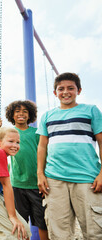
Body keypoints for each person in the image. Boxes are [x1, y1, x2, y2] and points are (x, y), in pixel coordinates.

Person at [37, 72, 102, 239]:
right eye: (61, 89)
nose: (65, 92)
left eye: (70, 88)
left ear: (79, 90)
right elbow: (42, 146)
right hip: (54, 179)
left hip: (86, 177)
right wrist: (40, 174)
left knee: (94, 231)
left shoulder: (91, 111)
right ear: (55, 93)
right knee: (58, 232)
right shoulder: (47, 116)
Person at [0, 100, 48, 240]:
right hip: (17, 184)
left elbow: (44, 154)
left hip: (36, 184)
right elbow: (0, 149)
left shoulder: (36, 133)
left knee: (42, 222)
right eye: (17, 111)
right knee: (20, 222)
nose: (21, 114)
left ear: (30, 115)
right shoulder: (8, 133)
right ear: (11, 115)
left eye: (25, 111)